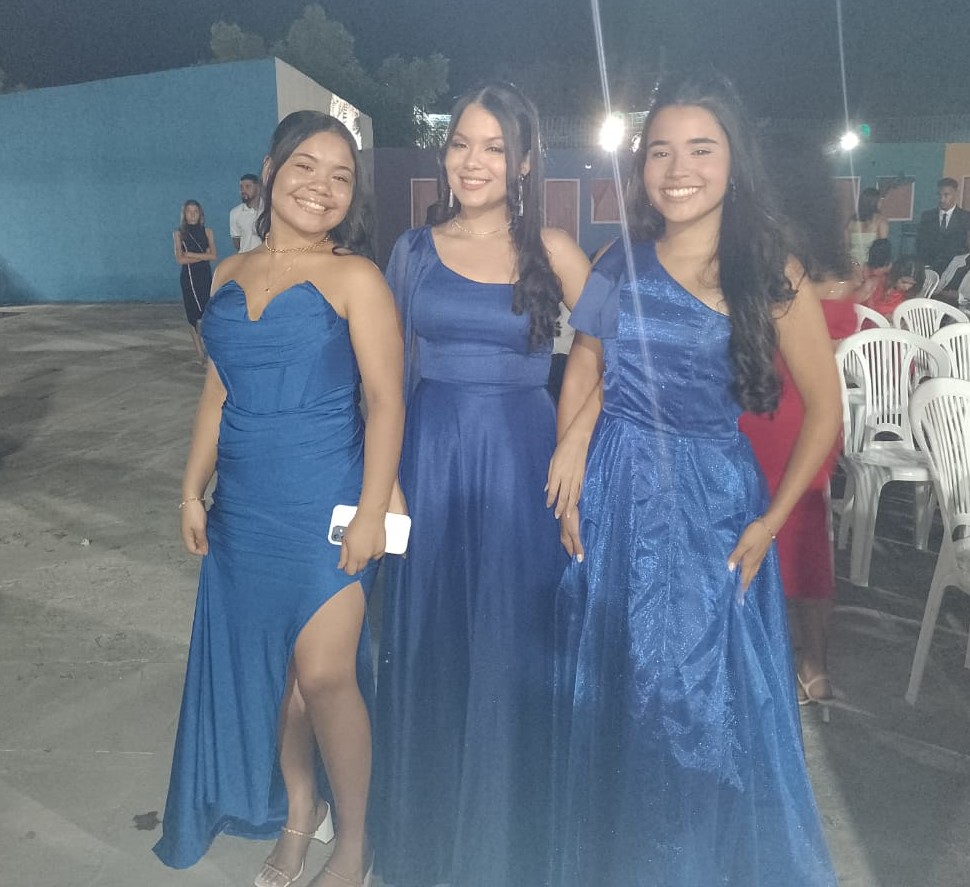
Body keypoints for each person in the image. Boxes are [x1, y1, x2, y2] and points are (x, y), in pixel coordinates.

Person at [547, 70, 840, 885]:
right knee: (619, 685)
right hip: (615, 490)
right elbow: (590, 362)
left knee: (694, 703)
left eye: (701, 149)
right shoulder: (619, 258)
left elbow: (825, 411)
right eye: (661, 151)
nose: (679, 169)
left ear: (734, 161)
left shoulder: (769, 271)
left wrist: (772, 520)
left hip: (711, 504)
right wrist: (570, 456)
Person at [153, 111, 404, 887]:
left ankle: (355, 842)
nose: (321, 187)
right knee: (279, 681)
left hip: (326, 501)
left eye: (341, 177)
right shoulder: (227, 273)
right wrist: (191, 489)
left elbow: (386, 400)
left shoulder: (356, 278)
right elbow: (217, 391)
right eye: (305, 167)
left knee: (325, 675)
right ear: (269, 171)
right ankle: (302, 811)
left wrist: (372, 511)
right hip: (244, 509)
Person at [372, 82, 590, 887]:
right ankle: (428, 842)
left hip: (520, 464)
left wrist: (576, 435)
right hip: (427, 463)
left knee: (509, 640)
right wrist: (385, 481)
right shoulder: (412, 251)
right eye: (462, 143)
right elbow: (386, 375)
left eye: (495, 147)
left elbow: (618, 344)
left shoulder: (554, 249)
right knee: (430, 641)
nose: (474, 161)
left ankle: (506, 846)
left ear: (524, 161)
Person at [173, 200, 217, 364]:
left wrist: (191, 254)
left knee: (207, 313)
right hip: (189, 278)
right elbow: (180, 259)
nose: (192, 215)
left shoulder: (208, 232)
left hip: (205, 276)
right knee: (192, 316)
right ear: (184, 215)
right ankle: (200, 354)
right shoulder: (178, 234)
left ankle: (210, 349)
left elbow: (213, 256)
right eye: (189, 211)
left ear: (200, 214)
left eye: (195, 211)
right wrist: (203, 256)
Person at [916, 177, 970, 274]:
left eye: (946, 195)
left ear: (955, 194)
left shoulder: (966, 218)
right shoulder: (927, 216)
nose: (941, 199)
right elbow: (920, 244)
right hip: (930, 269)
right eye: (939, 195)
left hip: (957, 271)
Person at [845, 186, 889, 267]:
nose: (881, 203)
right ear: (875, 202)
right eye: (880, 200)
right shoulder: (880, 221)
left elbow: (846, 246)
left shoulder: (851, 222)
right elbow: (883, 247)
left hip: (853, 264)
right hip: (871, 265)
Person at [230, 172, 264, 252]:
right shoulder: (235, 213)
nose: (243, 190)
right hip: (246, 257)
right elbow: (236, 242)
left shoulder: (269, 210)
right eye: (241, 187)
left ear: (258, 188)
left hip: (266, 257)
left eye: (247, 186)